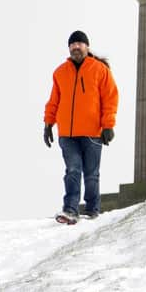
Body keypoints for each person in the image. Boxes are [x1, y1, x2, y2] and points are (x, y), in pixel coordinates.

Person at [44, 31, 119, 224]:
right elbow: (54, 101)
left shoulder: (100, 70)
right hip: (67, 134)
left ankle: (93, 210)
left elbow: (110, 98)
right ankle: (70, 209)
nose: (76, 47)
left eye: (80, 43)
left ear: (87, 46)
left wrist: (108, 126)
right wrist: (48, 123)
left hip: (92, 133)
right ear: (69, 48)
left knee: (91, 175)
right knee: (73, 170)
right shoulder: (60, 72)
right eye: (73, 44)